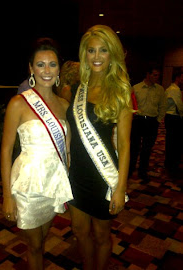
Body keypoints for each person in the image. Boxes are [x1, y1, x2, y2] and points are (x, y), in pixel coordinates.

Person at [0, 37, 73, 270]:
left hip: (53, 184)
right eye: (40, 64)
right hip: (28, 186)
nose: (46, 70)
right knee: (33, 245)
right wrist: (7, 196)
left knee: (42, 241)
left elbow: (67, 149)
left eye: (52, 64)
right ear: (31, 68)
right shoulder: (18, 104)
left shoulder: (64, 105)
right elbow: (5, 150)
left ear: (59, 69)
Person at [66, 25, 132, 270]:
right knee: (79, 231)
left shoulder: (120, 92)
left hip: (103, 176)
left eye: (103, 50)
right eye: (91, 50)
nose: (96, 56)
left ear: (112, 54)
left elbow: (125, 146)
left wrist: (120, 187)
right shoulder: (74, 90)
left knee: (103, 235)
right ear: (84, 54)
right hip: (77, 176)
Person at [129, 65, 166, 181]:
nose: (157, 77)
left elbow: (163, 106)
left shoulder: (160, 89)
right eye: (154, 75)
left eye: (158, 75)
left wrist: (158, 120)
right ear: (148, 74)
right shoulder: (136, 88)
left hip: (151, 121)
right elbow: (129, 105)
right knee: (134, 148)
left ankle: (142, 171)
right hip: (138, 121)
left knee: (147, 148)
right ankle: (130, 170)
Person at [164, 69, 183, 173]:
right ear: (177, 78)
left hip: (171, 117)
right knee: (174, 142)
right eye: (182, 77)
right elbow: (179, 106)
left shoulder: (172, 88)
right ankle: (171, 164)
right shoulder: (174, 89)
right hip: (173, 118)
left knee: (172, 142)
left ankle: (170, 163)